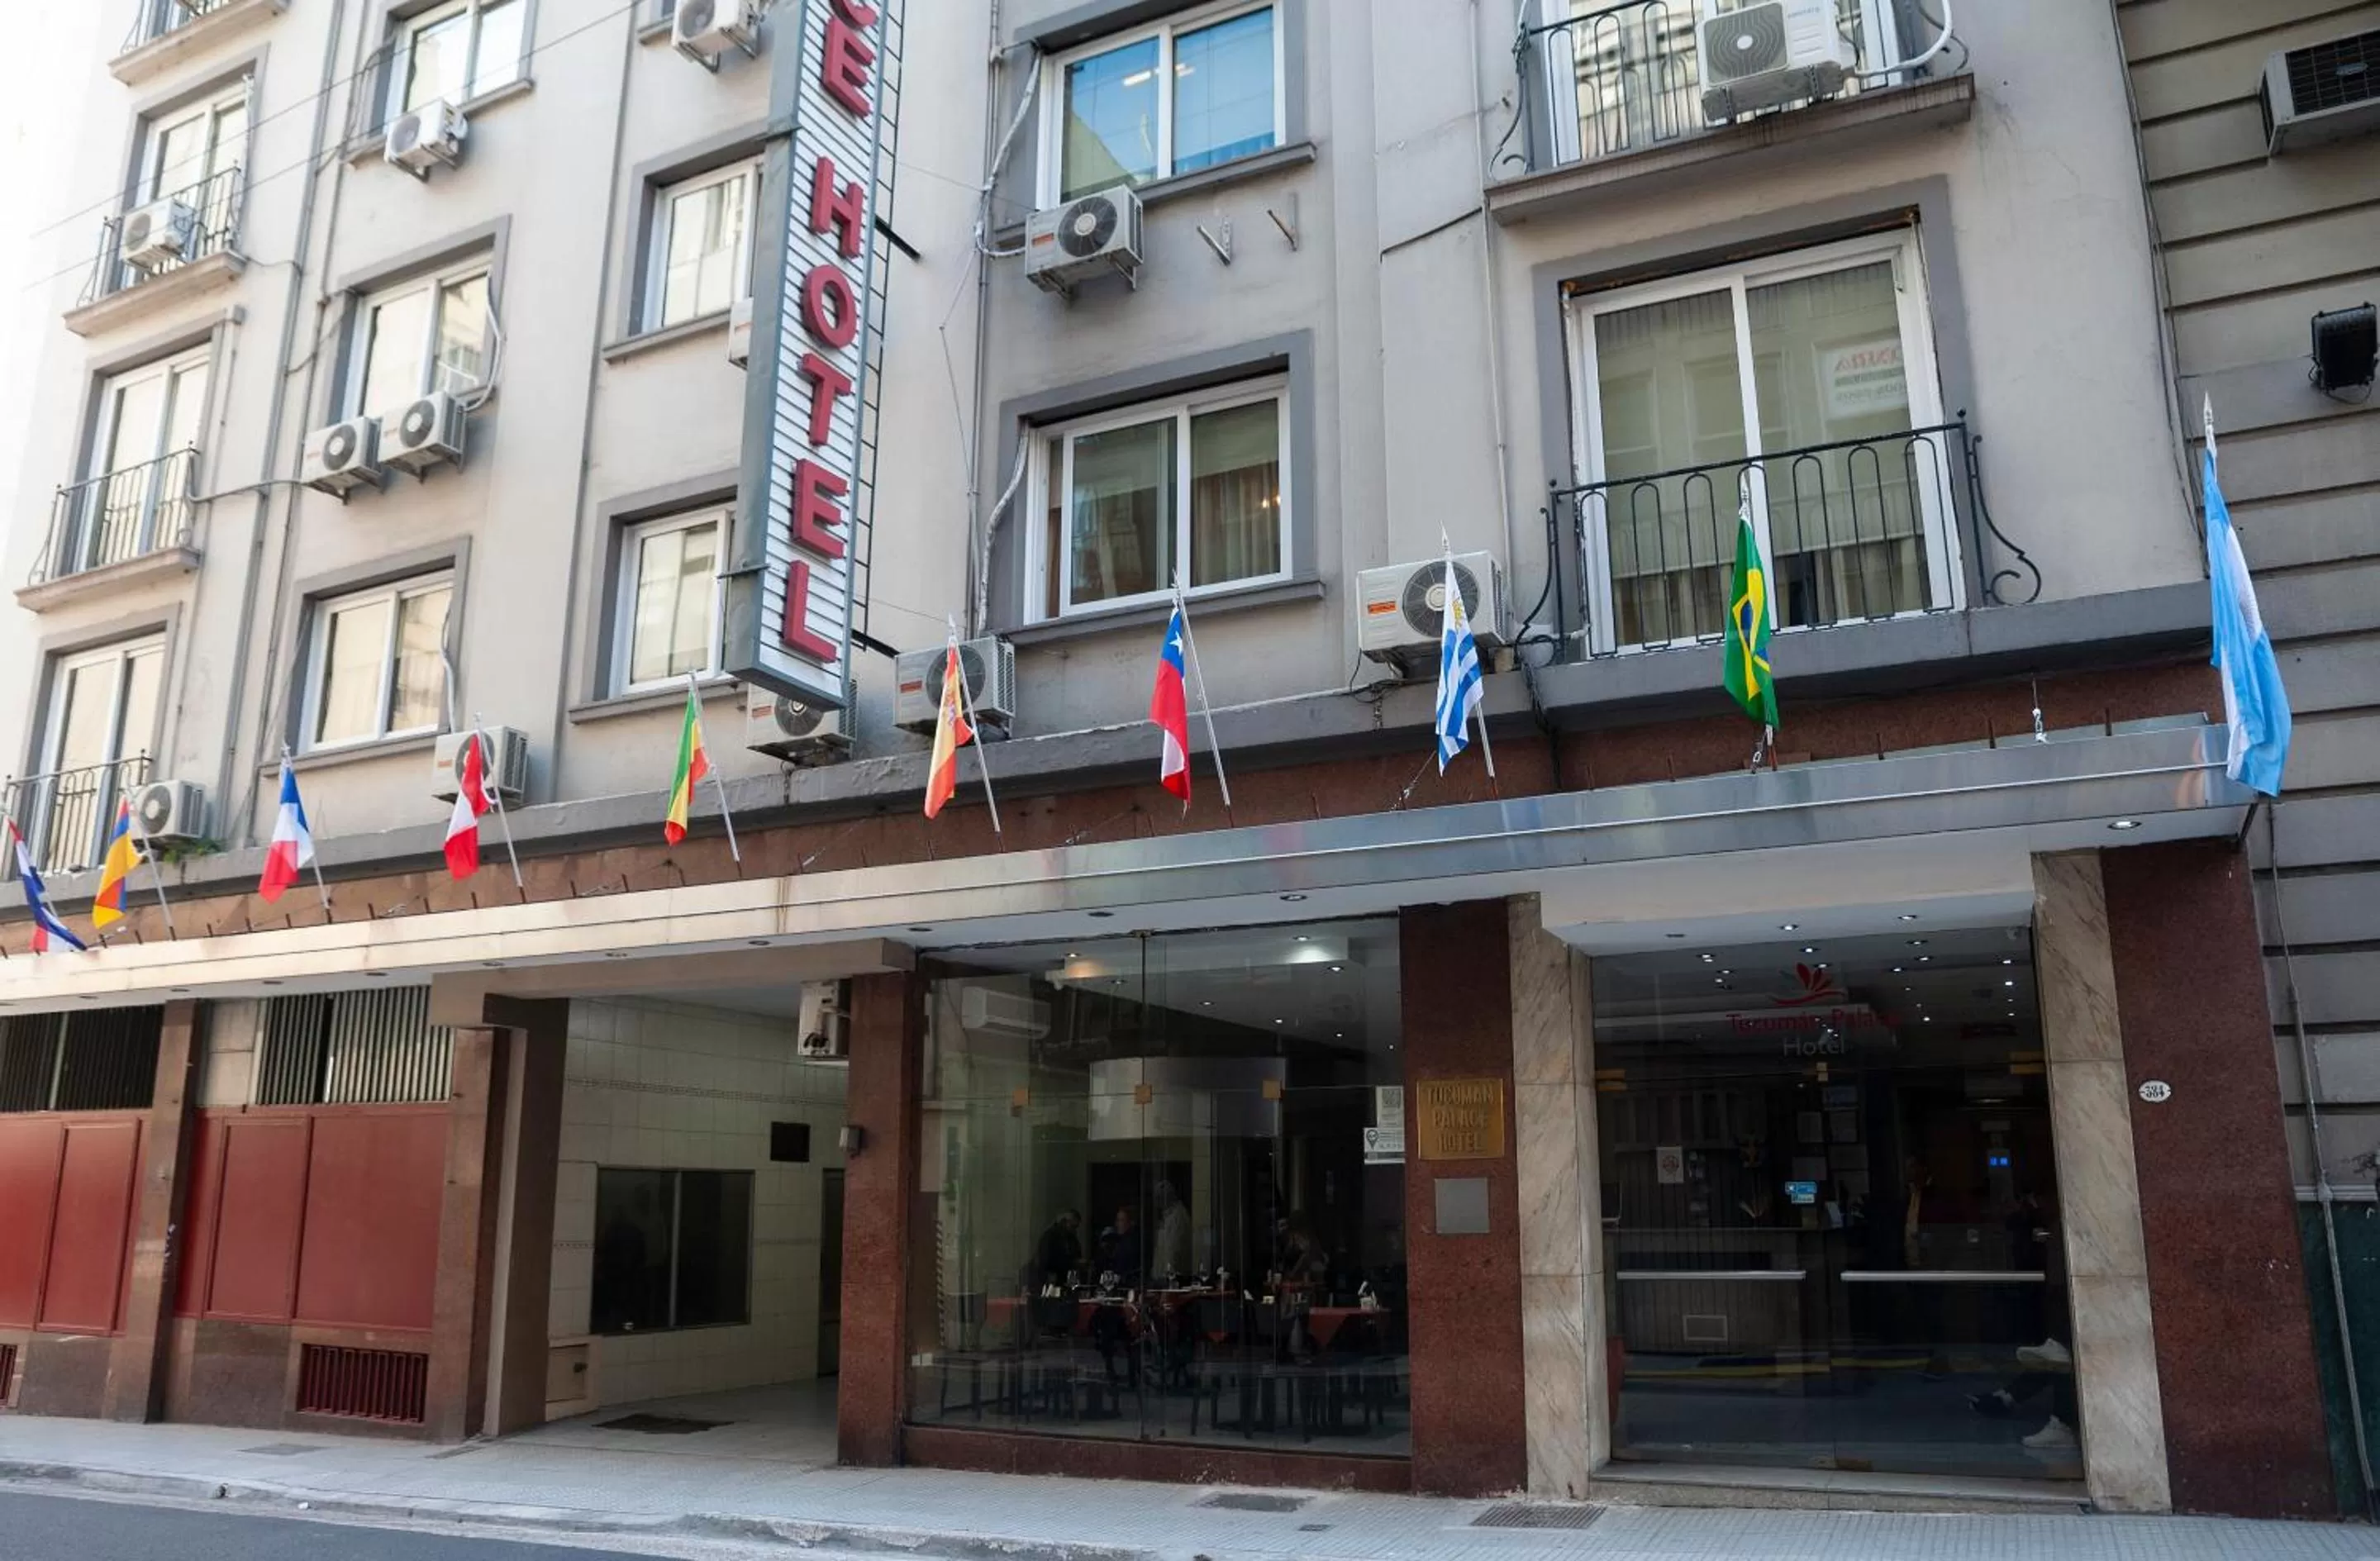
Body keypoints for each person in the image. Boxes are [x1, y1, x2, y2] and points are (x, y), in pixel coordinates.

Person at [1150, 1181, 1191, 1281]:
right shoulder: (1167, 1216)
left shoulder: (1178, 1216)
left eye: (1159, 1198)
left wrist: (1169, 1274)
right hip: (1162, 1276)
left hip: (1171, 1277)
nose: (1157, 1203)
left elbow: (1174, 1249)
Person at [1031, 1209, 1082, 1289]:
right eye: (1073, 1226)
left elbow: (1076, 1253)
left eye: (1076, 1227)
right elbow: (1046, 1259)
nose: (1074, 1230)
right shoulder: (1050, 1236)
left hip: (1065, 1278)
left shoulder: (1071, 1238)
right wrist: (1073, 1262)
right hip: (1052, 1278)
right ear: (1065, 1222)